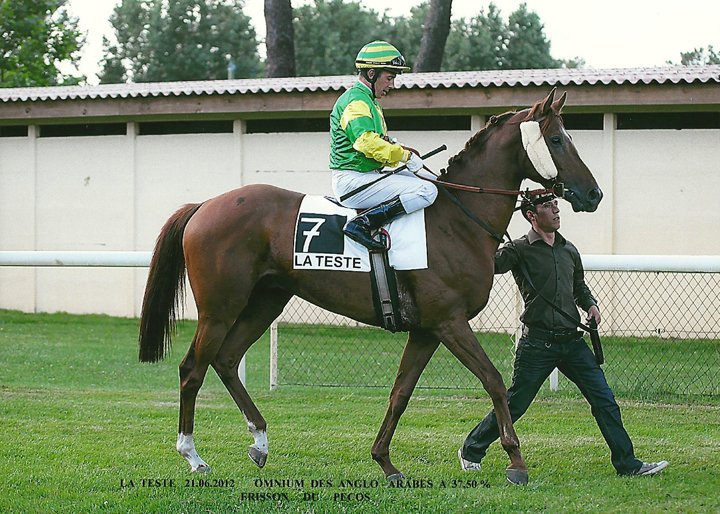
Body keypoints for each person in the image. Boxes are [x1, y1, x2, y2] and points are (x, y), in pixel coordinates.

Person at [458, 193, 669, 477]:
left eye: (556, 204)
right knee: (515, 404)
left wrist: (591, 304)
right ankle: (471, 449)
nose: (556, 210)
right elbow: (488, 265)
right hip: (537, 345)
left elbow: (579, 286)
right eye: (548, 206)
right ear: (531, 215)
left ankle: (627, 464)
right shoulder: (518, 249)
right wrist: (481, 233)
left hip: (573, 343)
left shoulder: (569, 249)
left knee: (604, 400)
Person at [330, 40, 438, 251]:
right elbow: (366, 142)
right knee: (427, 191)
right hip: (352, 182)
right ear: (371, 74)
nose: (392, 85)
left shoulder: (369, 101)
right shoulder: (356, 101)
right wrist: (404, 156)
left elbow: (379, 143)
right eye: (389, 78)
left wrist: (401, 149)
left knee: (430, 180)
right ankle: (362, 224)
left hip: (366, 176)